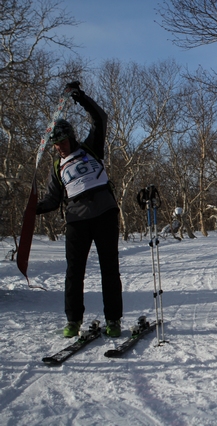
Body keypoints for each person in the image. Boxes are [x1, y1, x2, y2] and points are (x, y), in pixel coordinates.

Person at [36, 81, 123, 338]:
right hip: (76, 220)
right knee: (74, 272)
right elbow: (52, 201)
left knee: (110, 269)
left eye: (61, 141)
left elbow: (100, 118)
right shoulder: (56, 167)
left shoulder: (90, 148)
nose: (58, 147)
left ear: (70, 137)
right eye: (55, 144)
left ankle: (113, 320)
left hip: (105, 213)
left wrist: (79, 97)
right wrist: (33, 210)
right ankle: (73, 321)